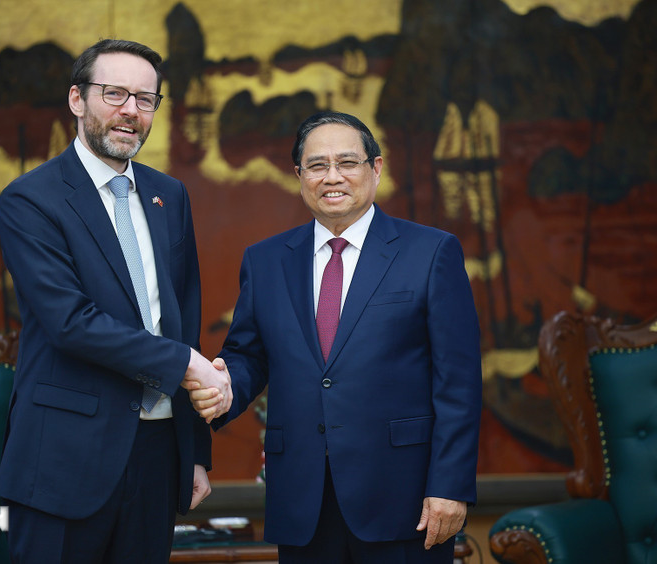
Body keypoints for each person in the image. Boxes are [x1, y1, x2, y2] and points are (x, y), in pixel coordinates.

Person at [190, 111, 482, 563]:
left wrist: (450, 485)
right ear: (299, 176)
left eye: (347, 162)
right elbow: (248, 355)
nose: (332, 177)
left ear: (375, 169)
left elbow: (458, 382)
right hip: (302, 498)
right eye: (317, 165)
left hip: (403, 498)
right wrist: (223, 389)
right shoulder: (266, 261)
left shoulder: (431, 252)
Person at [0, 38, 232, 564]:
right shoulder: (30, 199)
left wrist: (194, 451)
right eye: (115, 93)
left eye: (146, 99)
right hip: (64, 459)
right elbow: (70, 323)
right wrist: (186, 364)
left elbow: (183, 320)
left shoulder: (170, 195)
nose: (131, 110)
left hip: (158, 454)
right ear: (77, 99)